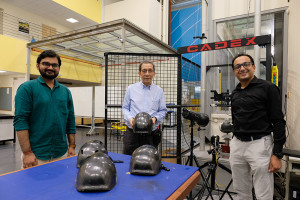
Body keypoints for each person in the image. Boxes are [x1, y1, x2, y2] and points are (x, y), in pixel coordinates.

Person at [230, 53, 286, 200]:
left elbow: (279, 121)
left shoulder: (268, 88)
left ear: (253, 67)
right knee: (241, 191)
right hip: (237, 145)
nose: (242, 68)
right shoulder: (235, 93)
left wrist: (277, 154)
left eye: (246, 64)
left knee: (263, 193)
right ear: (234, 71)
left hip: (259, 144)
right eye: (237, 66)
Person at [14, 50, 76, 169]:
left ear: (59, 68)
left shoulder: (65, 91)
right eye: (46, 64)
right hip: (36, 155)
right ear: (38, 66)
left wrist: (72, 146)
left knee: (59, 186)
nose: (50, 67)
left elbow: (70, 120)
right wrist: (27, 153)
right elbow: (21, 121)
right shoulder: (27, 89)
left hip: (61, 153)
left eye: (55, 65)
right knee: (34, 187)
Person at [122, 61, 167, 155]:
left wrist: (155, 118)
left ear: (154, 74)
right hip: (132, 133)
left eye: (150, 71)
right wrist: (130, 118)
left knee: (149, 160)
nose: (147, 74)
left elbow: (163, 110)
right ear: (139, 73)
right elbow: (125, 108)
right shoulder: (131, 89)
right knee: (128, 159)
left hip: (151, 134)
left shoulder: (159, 91)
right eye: (144, 71)